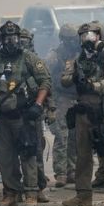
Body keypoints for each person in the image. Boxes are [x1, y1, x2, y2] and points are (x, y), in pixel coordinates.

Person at [0, 21, 51, 206]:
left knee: (28, 154)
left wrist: (38, 104)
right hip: (2, 118)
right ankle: (11, 192)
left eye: (14, 37)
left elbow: (45, 81)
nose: (11, 41)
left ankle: (31, 193)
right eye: (7, 38)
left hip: (25, 116)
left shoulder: (29, 58)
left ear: (19, 38)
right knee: (5, 157)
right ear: (1, 40)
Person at [60, 22, 104, 206]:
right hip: (82, 111)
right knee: (83, 155)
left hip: (100, 111)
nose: (87, 39)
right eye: (84, 36)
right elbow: (64, 80)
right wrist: (75, 78)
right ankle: (83, 194)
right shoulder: (77, 58)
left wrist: (92, 85)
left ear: (99, 37)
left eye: (91, 36)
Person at [19, 27, 52, 203]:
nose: (21, 44)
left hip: (33, 112)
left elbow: (47, 86)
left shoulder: (35, 61)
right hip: (16, 111)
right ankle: (17, 188)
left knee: (36, 151)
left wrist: (48, 109)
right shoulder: (10, 60)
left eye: (25, 41)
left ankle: (38, 187)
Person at [45, 24, 79, 187]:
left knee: (75, 136)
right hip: (62, 99)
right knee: (61, 136)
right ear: (63, 40)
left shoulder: (80, 53)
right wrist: (51, 104)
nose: (73, 42)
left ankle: (72, 170)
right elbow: (48, 81)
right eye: (70, 39)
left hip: (77, 99)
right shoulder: (54, 56)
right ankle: (61, 173)